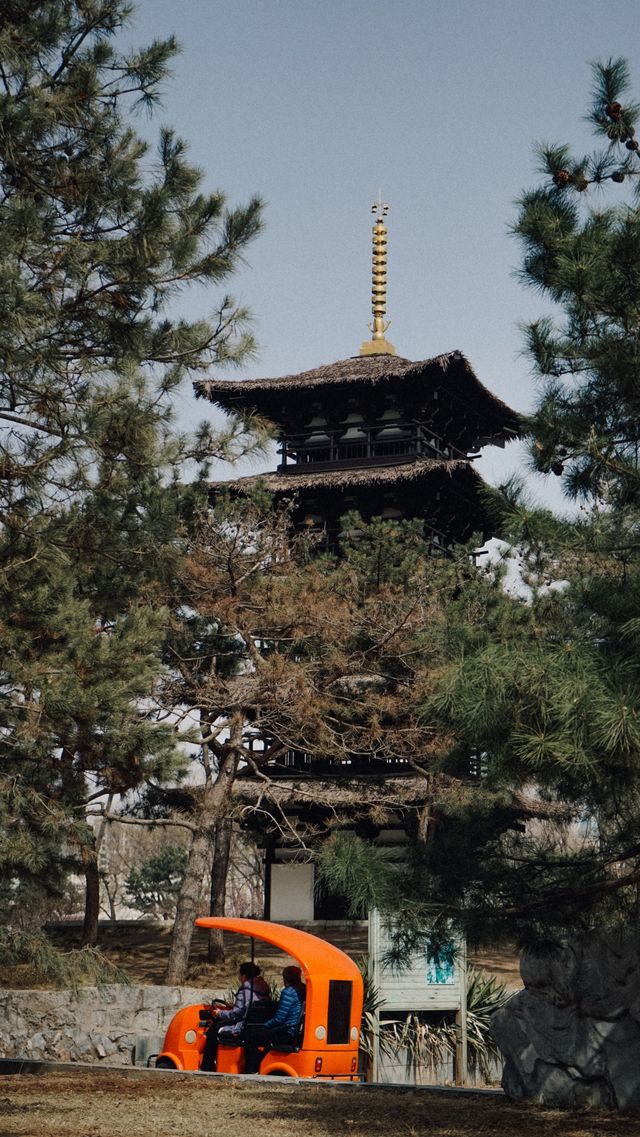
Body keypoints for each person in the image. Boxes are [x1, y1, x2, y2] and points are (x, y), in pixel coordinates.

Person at [200, 961, 271, 1072]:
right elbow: (245, 1007)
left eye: (239, 975)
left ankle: (207, 1066)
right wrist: (233, 1006)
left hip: (242, 1026)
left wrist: (220, 1013)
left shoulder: (245, 990)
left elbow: (236, 1014)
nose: (239, 977)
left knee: (212, 1032)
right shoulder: (263, 989)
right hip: (256, 1024)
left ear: (244, 976)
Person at [243, 965, 306, 1075]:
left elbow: (279, 1019)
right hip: (295, 1030)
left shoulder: (288, 992)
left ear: (285, 978)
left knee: (250, 1037)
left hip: (287, 1032)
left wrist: (265, 1026)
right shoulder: (303, 989)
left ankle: (251, 1070)